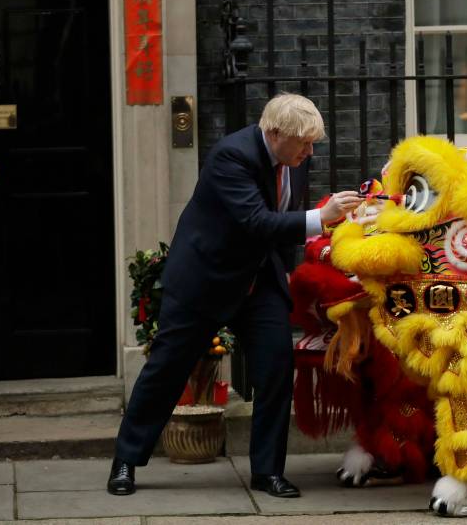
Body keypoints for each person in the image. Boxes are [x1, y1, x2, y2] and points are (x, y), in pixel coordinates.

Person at [108, 93, 361, 498]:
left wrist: (286, 269)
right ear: (275, 134)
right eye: (305, 143)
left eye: (314, 143)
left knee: (276, 368)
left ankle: (267, 472)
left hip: (258, 281)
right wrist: (322, 218)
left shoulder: (294, 156)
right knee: (166, 372)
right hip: (205, 279)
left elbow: (281, 222)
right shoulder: (231, 157)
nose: (310, 151)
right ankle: (126, 461)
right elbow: (257, 221)